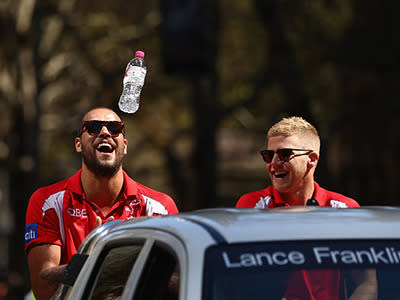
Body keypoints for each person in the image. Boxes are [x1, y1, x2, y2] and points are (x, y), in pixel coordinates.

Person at [25, 107, 179, 300]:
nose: (105, 133)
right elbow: (43, 289)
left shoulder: (160, 207)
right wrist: (93, 257)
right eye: (93, 127)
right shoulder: (46, 201)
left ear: (125, 145)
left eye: (115, 129)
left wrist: (119, 261)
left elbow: (177, 284)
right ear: (78, 144)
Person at [236, 116, 377, 300]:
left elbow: (367, 283)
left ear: (311, 159)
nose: (274, 163)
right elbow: (237, 281)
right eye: (268, 155)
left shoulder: (345, 209)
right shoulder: (251, 206)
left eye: (285, 154)